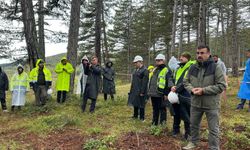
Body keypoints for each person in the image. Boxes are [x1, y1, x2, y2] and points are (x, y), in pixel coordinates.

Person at [183, 45, 226, 150]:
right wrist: (192, 89)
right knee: (193, 125)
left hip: (211, 104)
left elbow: (221, 86)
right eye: (198, 53)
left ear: (208, 54)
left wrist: (203, 90)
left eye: (202, 53)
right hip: (195, 103)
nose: (199, 55)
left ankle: (214, 147)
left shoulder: (216, 67)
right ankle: (193, 142)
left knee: (213, 129)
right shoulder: (192, 67)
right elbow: (186, 81)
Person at [171, 52, 194, 139]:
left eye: (183, 57)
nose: (181, 58)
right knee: (176, 113)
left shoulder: (191, 67)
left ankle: (188, 134)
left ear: (188, 58)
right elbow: (174, 78)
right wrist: (172, 86)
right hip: (176, 94)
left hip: (186, 95)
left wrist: (176, 89)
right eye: (180, 56)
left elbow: (186, 81)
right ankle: (176, 131)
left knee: (186, 115)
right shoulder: (178, 68)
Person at [148, 54, 173, 126]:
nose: (158, 62)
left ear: (163, 61)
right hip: (153, 93)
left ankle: (162, 124)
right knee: (155, 109)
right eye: (157, 60)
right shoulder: (155, 69)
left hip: (161, 93)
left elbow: (169, 82)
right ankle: (154, 123)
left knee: (162, 109)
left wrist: (166, 93)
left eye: (159, 60)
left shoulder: (167, 70)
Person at [128, 55, 149, 121]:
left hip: (141, 90)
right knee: (135, 103)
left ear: (140, 62)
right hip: (135, 90)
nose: (135, 64)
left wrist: (142, 92)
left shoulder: (145, 70)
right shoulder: (135, 70)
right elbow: (133, 81)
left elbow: (145, 82)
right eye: (134, 63)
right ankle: (135, 115)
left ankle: (142, 118)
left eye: (136, 62)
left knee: (141, 104)